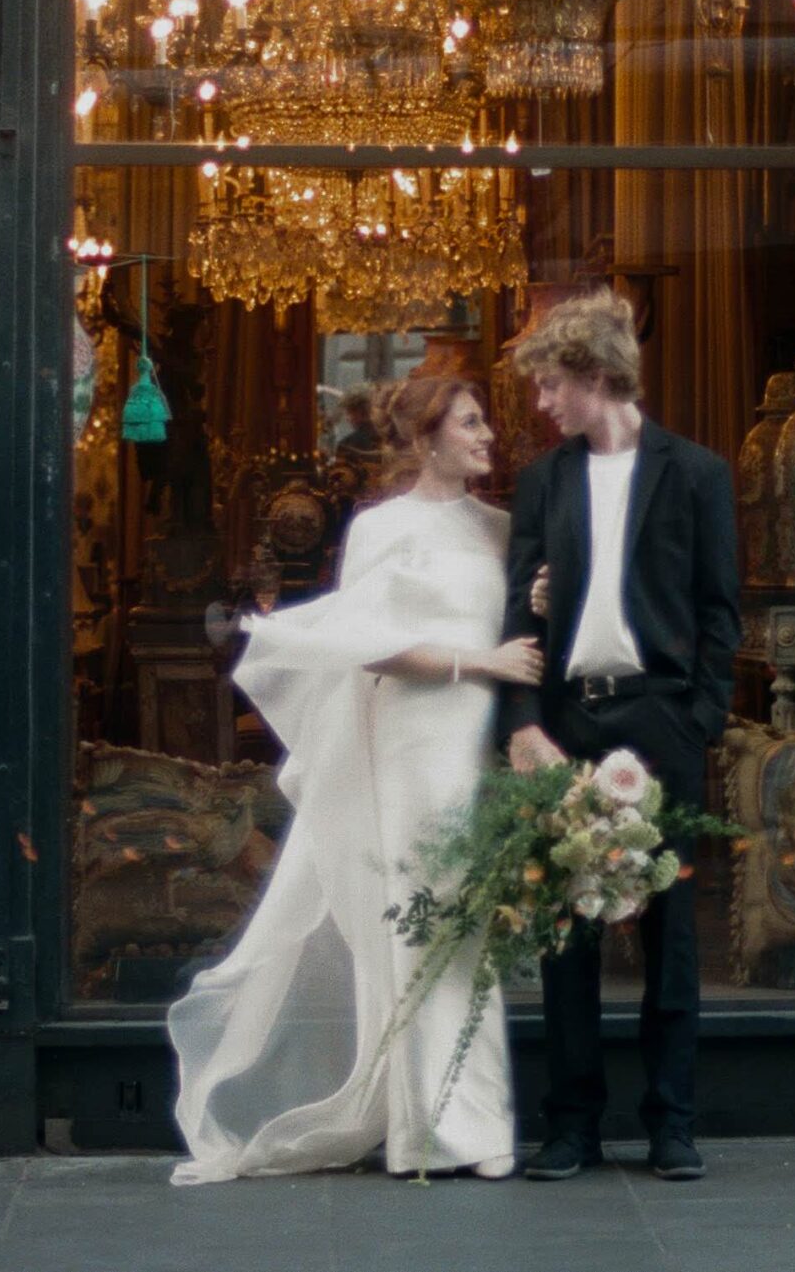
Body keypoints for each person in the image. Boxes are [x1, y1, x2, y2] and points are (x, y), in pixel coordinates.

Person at [168, 376, 543, 1183]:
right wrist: (476, 659)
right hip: (414, 737)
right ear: (427, 436)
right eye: (471, 422)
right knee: (424, 918)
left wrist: (537, 602)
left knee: (469, 925)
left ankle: (458, 1120)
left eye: (485, 423)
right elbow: (364, 642)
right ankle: (439, 1130)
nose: (489, 435)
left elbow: (521, 624)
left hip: (479, 740)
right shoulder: (381, 528)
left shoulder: (502, 527)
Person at [497, 289, 739, 1183]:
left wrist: (699, 721)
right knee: (568, 933)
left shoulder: (697, 474)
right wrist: (523, 725)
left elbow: (723, 616)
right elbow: (516, 615)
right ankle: (573, 1126)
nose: (541, 402)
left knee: (670, 931)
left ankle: (672, 1122)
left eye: (552, 383)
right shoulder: (541, 481)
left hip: (660, 717)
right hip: (568, 725)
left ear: (600, 376)